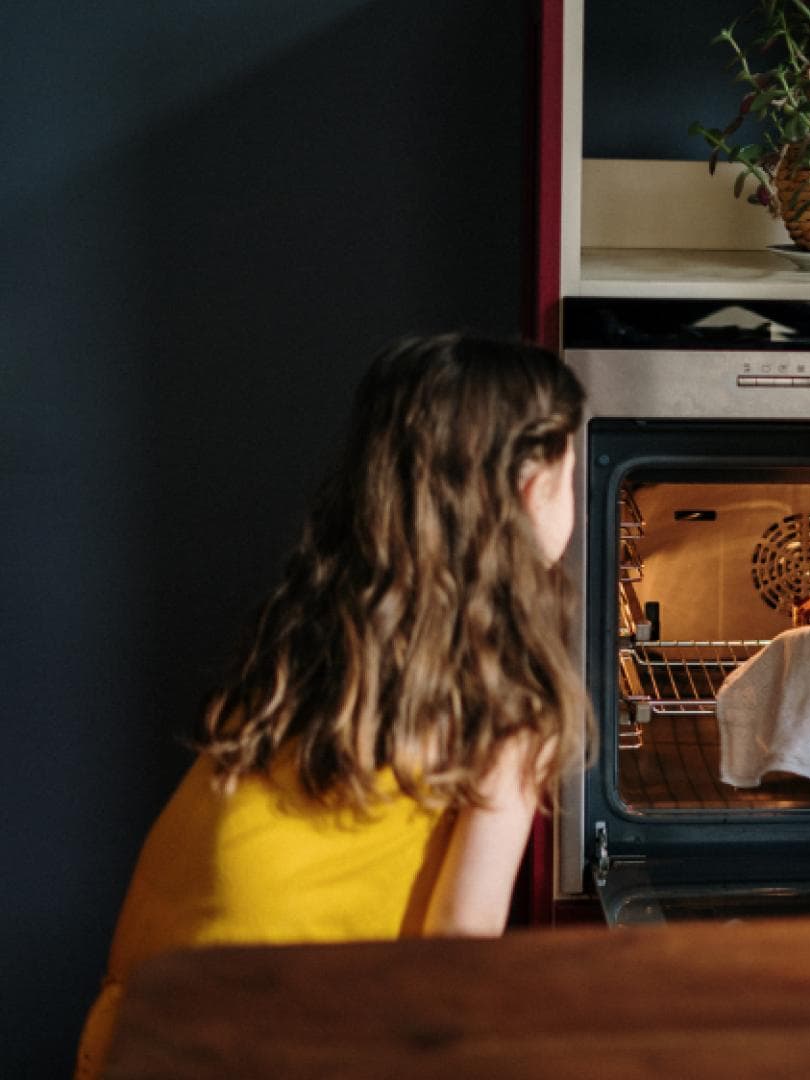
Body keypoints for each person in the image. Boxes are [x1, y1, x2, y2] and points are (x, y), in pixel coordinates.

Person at [74, 334, 590, 1076]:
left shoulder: (311, 622)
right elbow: (460, 944)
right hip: (295, 1033)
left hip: (153, 1016)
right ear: (534, 487)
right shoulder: (508, 697)